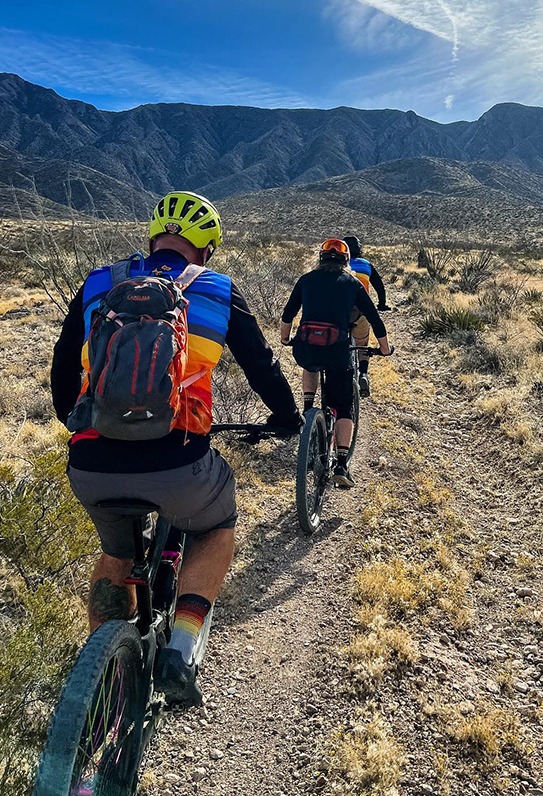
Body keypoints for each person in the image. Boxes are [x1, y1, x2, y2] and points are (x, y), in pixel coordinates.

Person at [51, 190, 302, 706]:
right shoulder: (217, 288)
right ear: (206, 249)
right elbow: (262, 366)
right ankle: (182, 650)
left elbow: (61, 368)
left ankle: (105, 679)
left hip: (93, 460)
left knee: (116, 552)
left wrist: (79, 426)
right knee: (215, 525)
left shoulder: (99, 282)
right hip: (179, 461)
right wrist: (286, 416)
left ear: (152, 238)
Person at [280, 238, 392, 489]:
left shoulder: (306, 280)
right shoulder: (352, 283)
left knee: (310, 364)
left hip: (306, 349)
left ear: (321, 259)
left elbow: (288, 314)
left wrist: (285, 338)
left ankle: (308, 408)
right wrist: (384, 349)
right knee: (343, 405)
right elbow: (374, 318)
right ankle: (341, 464)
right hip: (337, 352)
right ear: (346, 261)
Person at [343, 234, 391, 397]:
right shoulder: (366, 264)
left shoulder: (339, 266)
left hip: (340, 311)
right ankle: (363, 374)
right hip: (362, 311)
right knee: (362, 343)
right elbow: (379, 287)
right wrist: (382, 304)